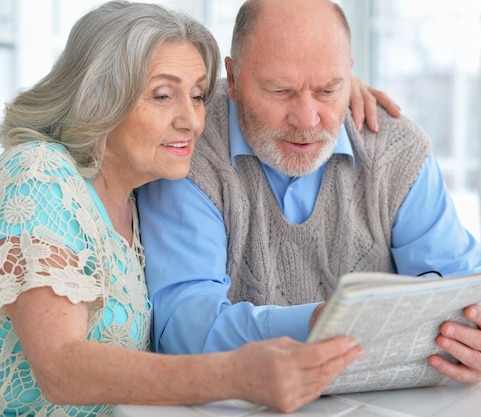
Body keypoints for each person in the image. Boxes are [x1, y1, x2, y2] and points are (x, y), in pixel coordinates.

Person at [0, 0, 421, 414]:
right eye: (163, 95)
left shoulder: (134, 194)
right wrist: (234, 375)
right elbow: (58, 368)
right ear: (99, 98)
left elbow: (252, 93)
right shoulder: (41, 172)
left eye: (198, 95)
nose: (192, 120)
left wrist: (331, 88)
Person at [138, 0, 481, 387]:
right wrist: (322, 324)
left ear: (350, 74)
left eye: (327, 89)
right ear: (233, 79)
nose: (307, 120)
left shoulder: (395, 151)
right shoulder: (187, 146)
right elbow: (185, 332)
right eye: (280, 90)